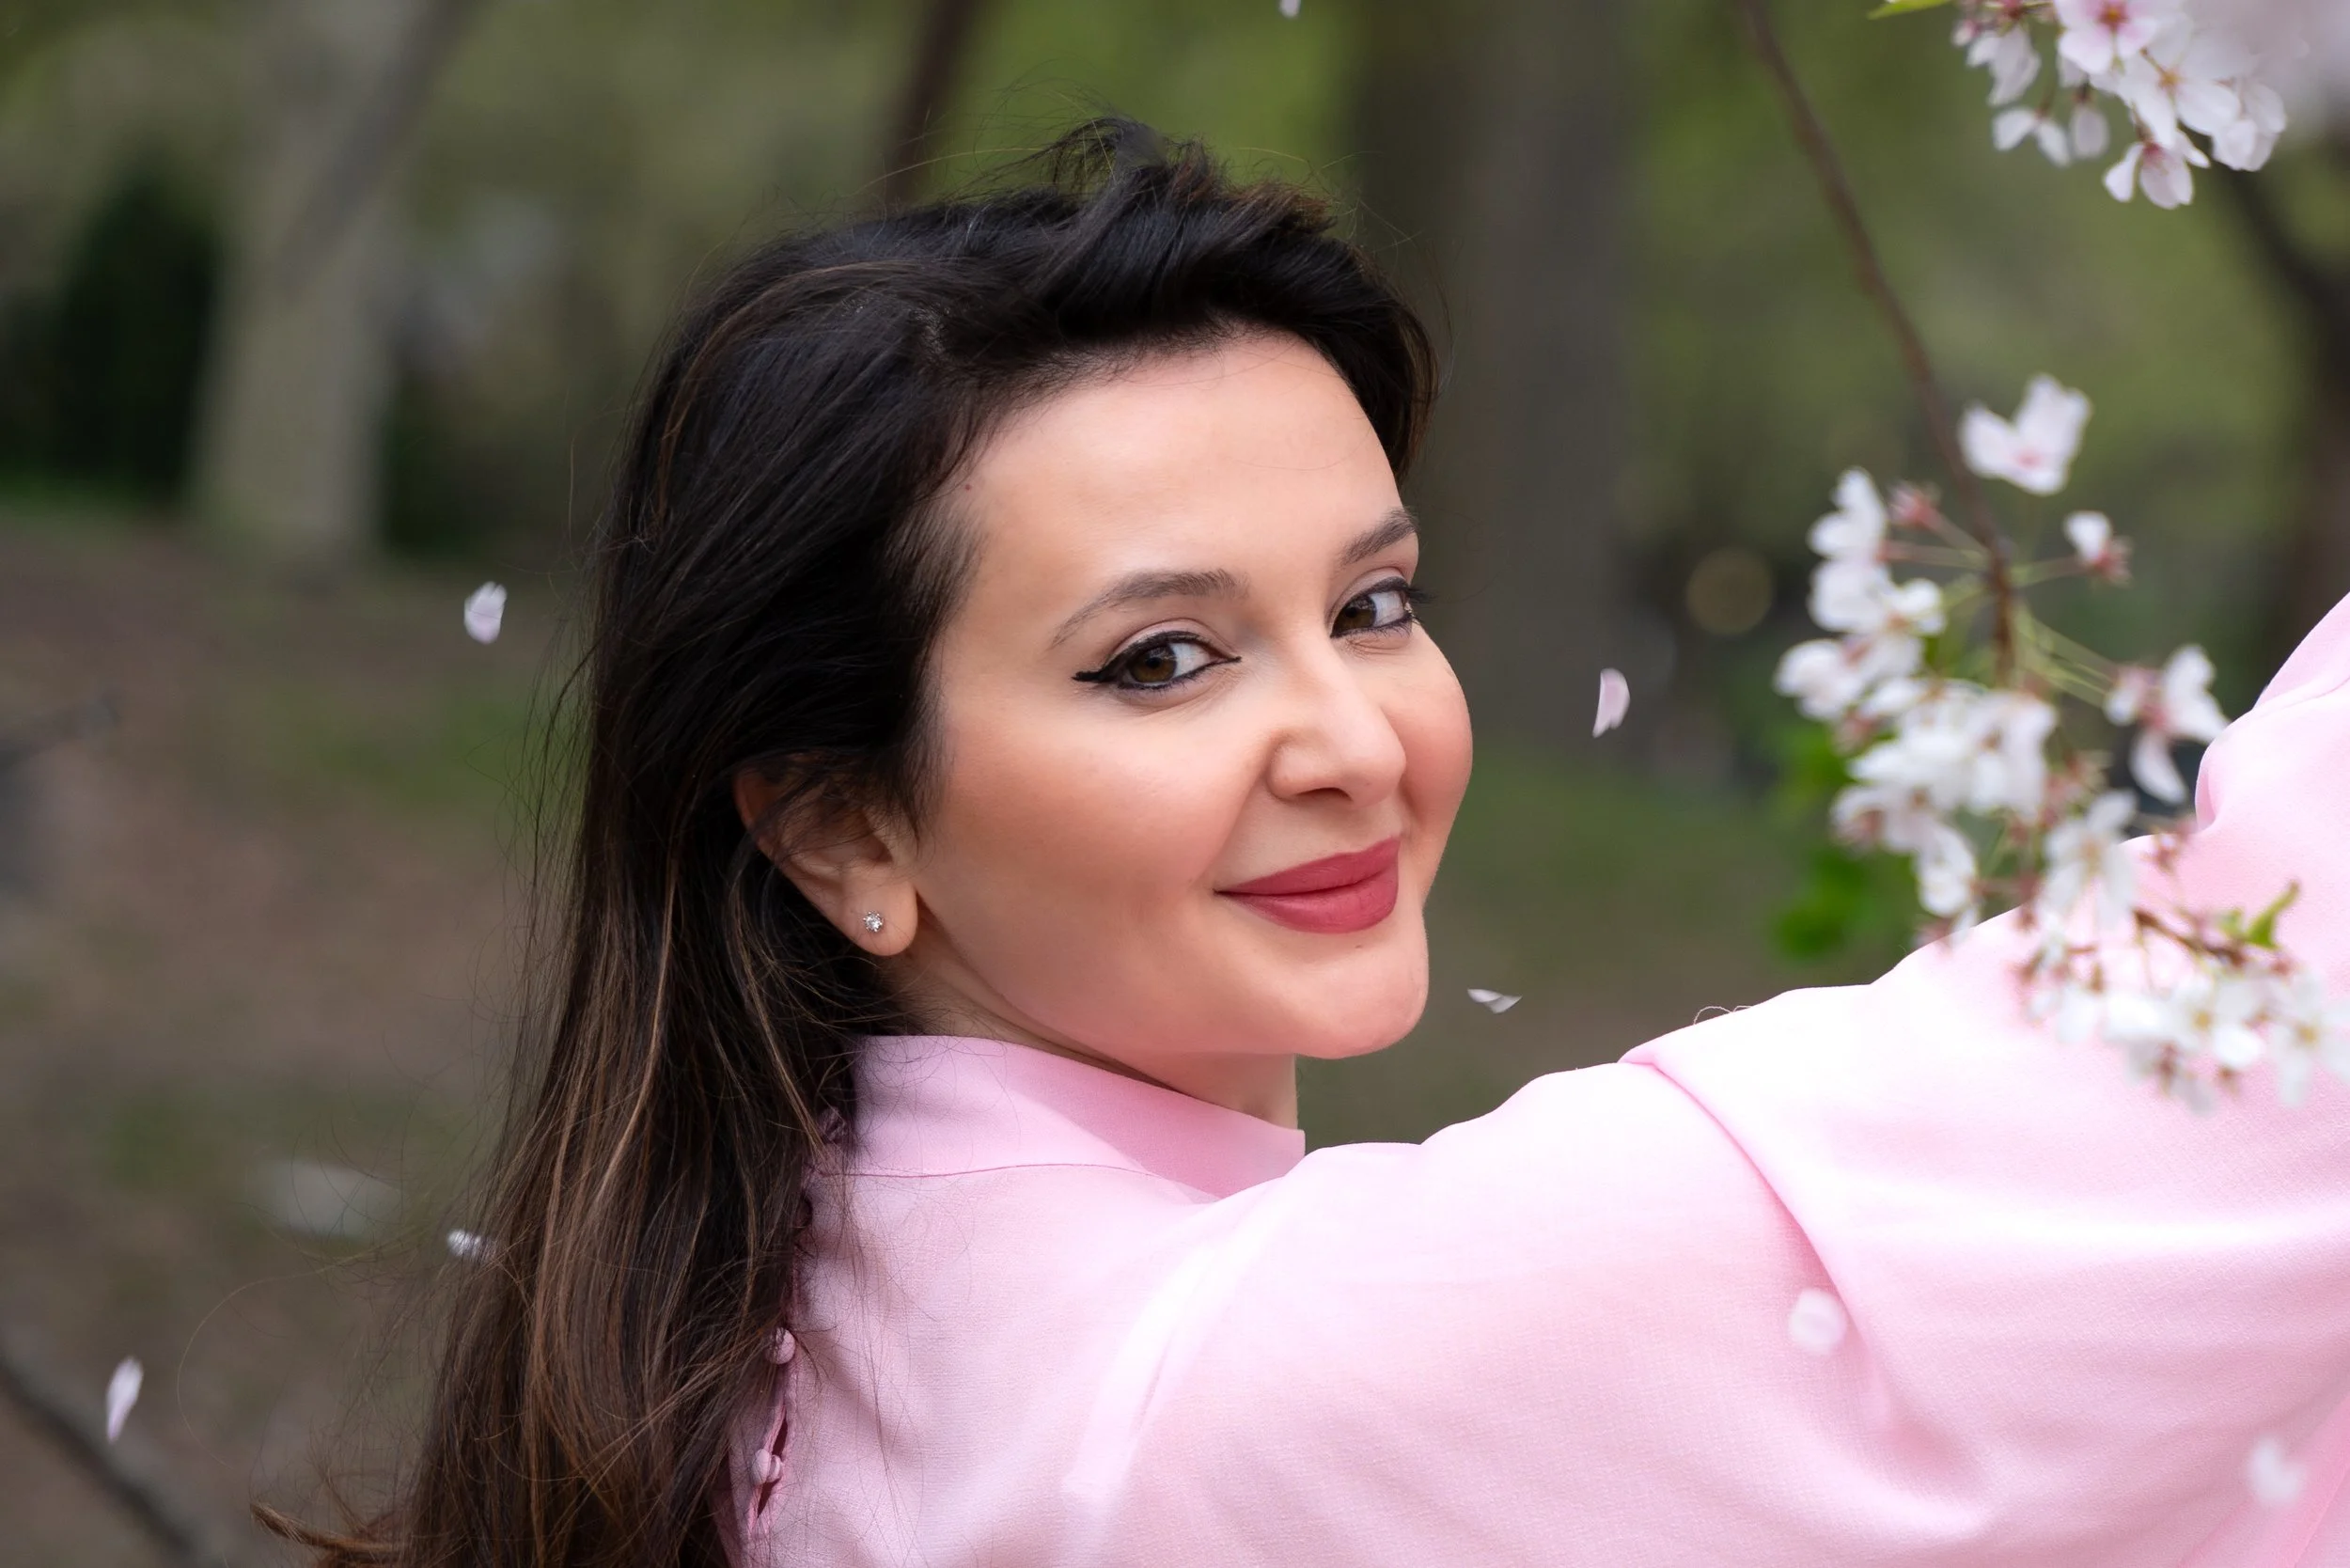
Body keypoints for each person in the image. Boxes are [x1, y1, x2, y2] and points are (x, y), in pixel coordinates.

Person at [287, 122, 2350, 1567]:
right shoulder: (1218, 1397)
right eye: (1163, 658)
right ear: (840, 827)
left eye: (1372, 605)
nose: (1352, 741)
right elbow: (2251, 1041)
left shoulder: (788, 1369)